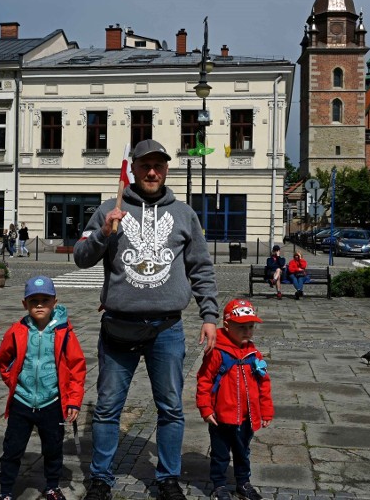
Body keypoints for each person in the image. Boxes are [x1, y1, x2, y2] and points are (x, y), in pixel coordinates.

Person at [73, 138, 219, 500]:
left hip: (167, 328)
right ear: (133, 169)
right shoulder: (110, 208)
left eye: (158, 166)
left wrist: (210, 314)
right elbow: (80, 257)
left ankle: (168, 478)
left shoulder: (185, 214)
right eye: (144, 166)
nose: (152, 172)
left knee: (170, 408)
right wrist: (105, 233)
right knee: (107, 408)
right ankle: (101, 478)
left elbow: (201, 267)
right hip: (119, 327)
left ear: (166, 169)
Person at [0, 276, 87, 500]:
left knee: (53, 448)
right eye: (33, 300)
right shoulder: (17, 331)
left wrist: (73, 400)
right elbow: (4, 359)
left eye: (44, 300)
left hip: (52, 403)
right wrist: (14, 384)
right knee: (12, 449)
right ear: (24, 304)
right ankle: (6, 491)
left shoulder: (65, 333)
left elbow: (77, 367)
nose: (39, 304)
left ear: (54, 302)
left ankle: (52, 486)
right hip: (22, 403)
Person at [196, 298, 273, 500]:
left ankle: (243, 482)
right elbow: (204, 380)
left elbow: (264, 383)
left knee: (242, 453)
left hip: (247, 417)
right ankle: (219, 485)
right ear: (227, 325)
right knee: (220, 455)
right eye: (242, 327)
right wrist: (205, 408)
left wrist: (266, 411)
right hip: (221, 416)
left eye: (251, 327)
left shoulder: (254, 354)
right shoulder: (217, 352)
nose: (247, 331)